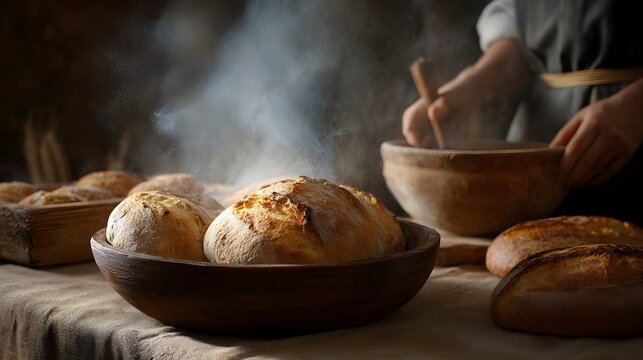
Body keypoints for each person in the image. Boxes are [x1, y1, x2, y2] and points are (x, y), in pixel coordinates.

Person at [402, 0, 643, 225]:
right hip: (535, 149)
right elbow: (516, 45)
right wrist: (464, 89)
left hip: (630, 152)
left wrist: (636, 107)